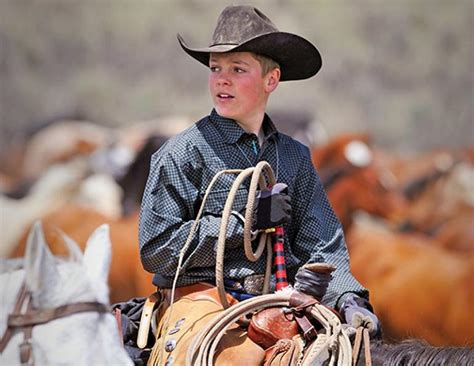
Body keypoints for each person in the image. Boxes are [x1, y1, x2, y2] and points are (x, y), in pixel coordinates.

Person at [139, 4, 380, 344]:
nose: (222, 78)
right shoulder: (181, 153)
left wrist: (348, 297)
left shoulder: (295, 158)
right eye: (215, 68)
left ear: (271, 79)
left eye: (238, 69)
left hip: (280, 301)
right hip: (198, 303)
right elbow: (157, 249)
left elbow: (323, 246)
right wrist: (247, 222)